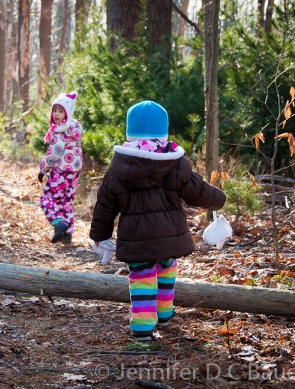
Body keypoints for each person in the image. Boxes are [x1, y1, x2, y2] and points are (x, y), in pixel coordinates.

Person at [90, 100, 226, 342]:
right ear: (164, 132)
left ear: (129, 133)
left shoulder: (119, 167)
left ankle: (142, 329)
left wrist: (100, 235)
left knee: (142, 279)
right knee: (166, 269)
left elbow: (105, 205)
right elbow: (197, 191)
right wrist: (218, 200)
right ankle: (164, 313)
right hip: (169, 236)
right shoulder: (174, 163)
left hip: (136, 241)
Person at [38, 91, 83, 244]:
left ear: (68, 112)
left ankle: (58, 224)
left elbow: (53, 154)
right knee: (65, 202)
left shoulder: (59, 132)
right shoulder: (75, 129)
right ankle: (67, 234)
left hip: (61, 172)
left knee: (46, 199)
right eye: (55, 110)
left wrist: (43, 169)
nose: (56, 114)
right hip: (74, 173)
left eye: (60, 111)